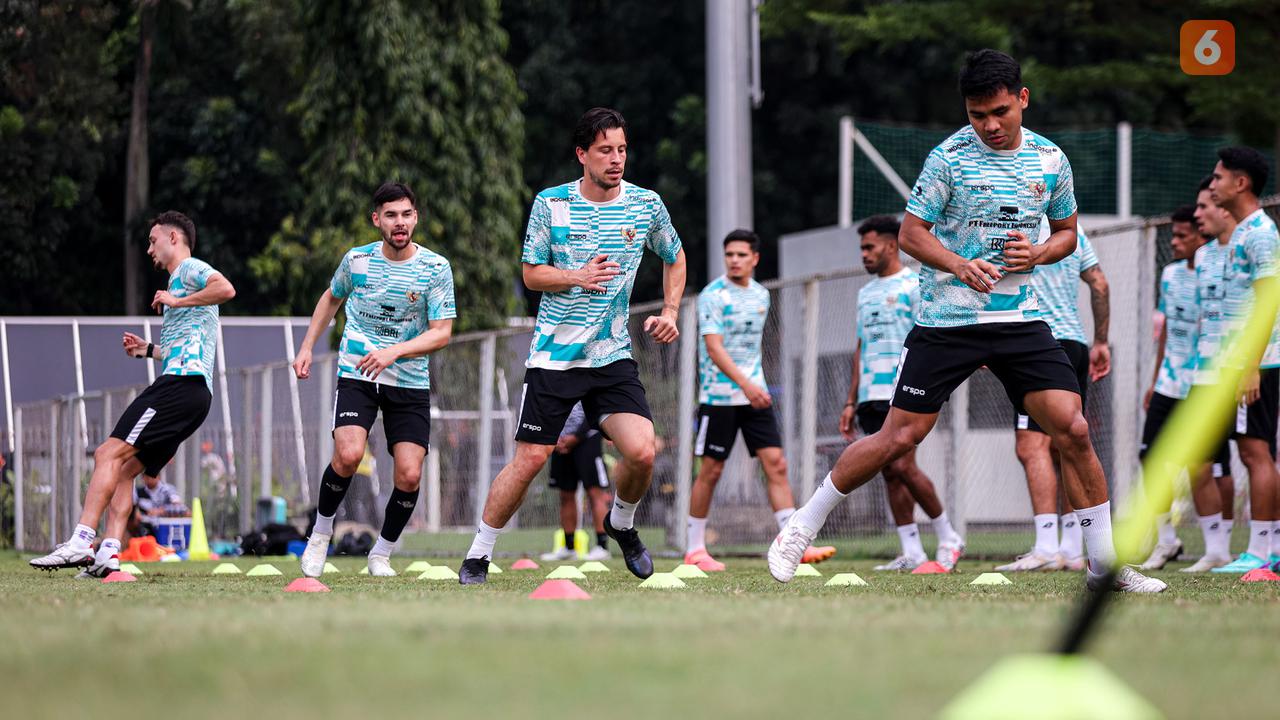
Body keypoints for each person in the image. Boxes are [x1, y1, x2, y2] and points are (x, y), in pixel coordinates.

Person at [768, 49, 1165, 592]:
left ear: (1022, 99)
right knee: (898, 436)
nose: (989, 125)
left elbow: (1068, 233)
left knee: (1071, 427)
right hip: (947, 320)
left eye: (999, 111)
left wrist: (1042, 254)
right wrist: (958, 264)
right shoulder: (948, 158)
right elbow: (910, 234)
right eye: (978, 115)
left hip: (1021, 320)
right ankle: (799, 527)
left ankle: (1104, 567)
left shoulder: (1052, 160)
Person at [459, 107, 687, 584]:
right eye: (606, 150)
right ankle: (479, 554)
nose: (617, 158)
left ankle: (620, 524)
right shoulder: (551, 204)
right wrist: (577, 277)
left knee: (642, 451)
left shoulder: (646, 204)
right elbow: (530, 273)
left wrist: (669, 311)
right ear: (582, 154)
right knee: (530, 460)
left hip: (611, 357)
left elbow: (675, 254)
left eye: (622, 149)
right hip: (554, 358)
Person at [30, 211, 235, 577]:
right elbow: (184, 346)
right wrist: (149, 350)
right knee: (124, 470)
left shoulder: (188, 271)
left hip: (181, 386)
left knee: (108, 452)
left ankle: (80, 540)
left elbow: (226, 289)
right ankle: (109, 552)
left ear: (174, 238)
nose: (148, 249)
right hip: (193, 390)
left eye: (153, 240)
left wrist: (176, 301)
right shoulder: (180, 282)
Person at [292, 182, 456, 578]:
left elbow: (442, 332)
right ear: (377, 220)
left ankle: (380, 554)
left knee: (409, 473)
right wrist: (307, 346)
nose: (399, 223)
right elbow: (331, 297)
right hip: (358, 371)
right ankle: (321, 533)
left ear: (415, 217)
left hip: (409, 378)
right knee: (348, 455)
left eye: (406, 214)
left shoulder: (435, 267)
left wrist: (393, 352)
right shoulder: (357, 260)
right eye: (390, 215)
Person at [686, 229, 835, 571]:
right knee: (711, 470)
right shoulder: (713, 295)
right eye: (729, 255)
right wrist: (746, 385)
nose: (734, 260)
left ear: (755, 258)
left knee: (776, 464)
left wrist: (754, 387)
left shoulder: (761, 295)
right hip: (719, 397)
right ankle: (695, 548)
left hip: (755, 396)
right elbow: (714, 348)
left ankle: (792, 542)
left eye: (741, 254)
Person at [838, 215, 964, 571]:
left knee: (904, 465)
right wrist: (851, 400)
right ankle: (912, 551)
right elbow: (860, 347)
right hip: (870, 394)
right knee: (890, 472)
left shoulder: (913, 285)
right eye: (861, 248)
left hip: (905, 390)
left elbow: (932, 333)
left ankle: (949, 536)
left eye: (869, 247)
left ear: (891, 246)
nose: (864, 254)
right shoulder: (864, 294)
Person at [995, 219, 1110, 572]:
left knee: (1032, 446)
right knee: (1068, 445)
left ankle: (1047, 546)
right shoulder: (1074, 233)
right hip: (1074, 344)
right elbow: (1100, 284)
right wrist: (1101, 341)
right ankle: (1072, 549)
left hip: (1036, 343)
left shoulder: (1014, 223)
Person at [1140, 201, 1232, 571]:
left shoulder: (1218, 270)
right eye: (1173, 235)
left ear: (1201, 236)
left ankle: (1218, 548)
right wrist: (1153, 378)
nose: (1175, 242)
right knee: (1150, 460)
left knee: (1206, 466)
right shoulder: (1170, 274)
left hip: (1205, 382)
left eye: (1182, 236)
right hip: (1168, 383)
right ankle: (1166, 541)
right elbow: (1165, 334)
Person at [1205, 147, 1280, 573]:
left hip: (1260, 363)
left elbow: (1269, 302)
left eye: (1218, 177)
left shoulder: (1260, 233)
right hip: (1244, 362)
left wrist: (1250, 365)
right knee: (1253, 451)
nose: (1212, 184)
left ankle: (1262, 551)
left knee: (1256, 453)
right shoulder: (1245, 230)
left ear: (1241, 183)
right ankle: (1266, 548)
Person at [540, 403, 613, 562]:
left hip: (588, 439)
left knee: (595, 493)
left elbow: (595, 406)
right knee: (566, 494)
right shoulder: (554, 380)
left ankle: (602, 547)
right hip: (560, 441)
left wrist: (576, 437)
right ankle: (569, 547)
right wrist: (555, 437)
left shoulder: (589, 378)